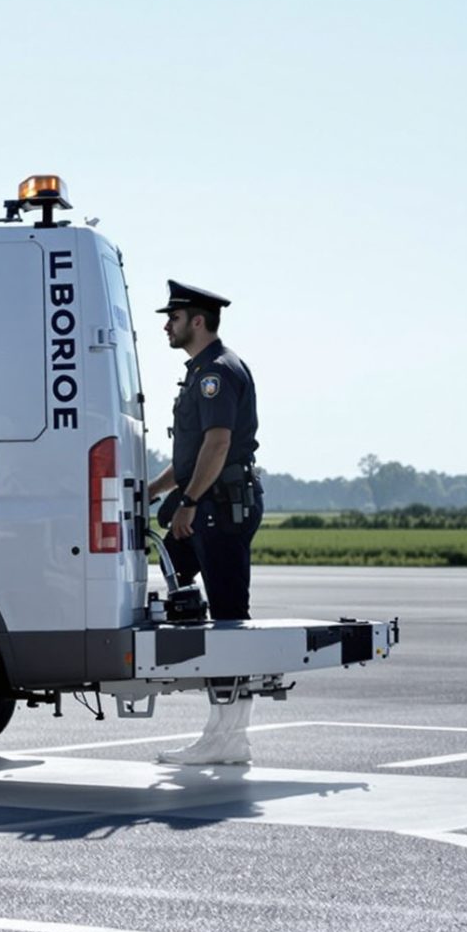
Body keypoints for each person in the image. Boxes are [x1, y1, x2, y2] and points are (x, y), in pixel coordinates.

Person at [147, 280, 262, 766]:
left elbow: (217, 445)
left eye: (173, 318)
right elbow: (193, 454)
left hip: (219, 508)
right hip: (206, 504)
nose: (166, 327)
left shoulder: (217, 372)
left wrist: (189, 501)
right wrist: (151, 492)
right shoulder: (200, 374)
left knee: (230, 620)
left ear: (198, 320)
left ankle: (230, 737)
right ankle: (221, 731)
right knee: (182, 597)